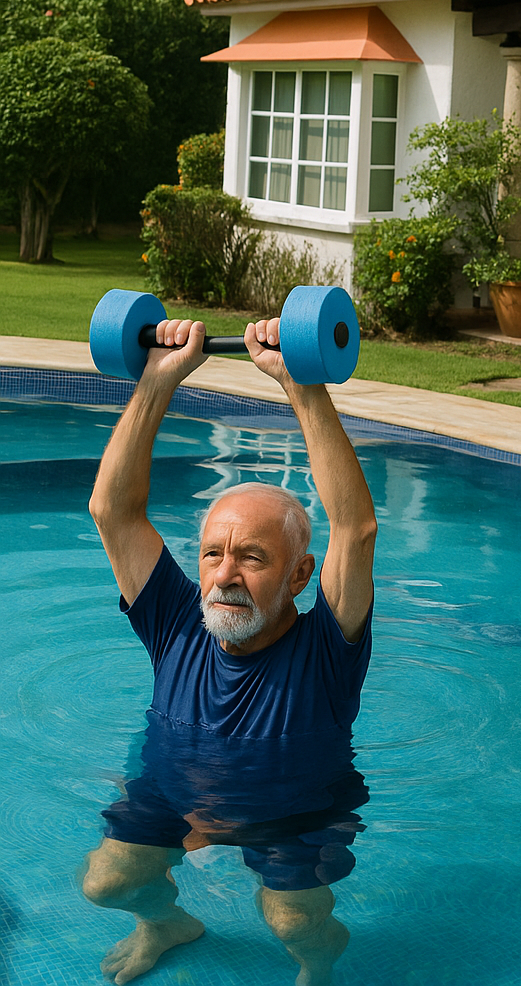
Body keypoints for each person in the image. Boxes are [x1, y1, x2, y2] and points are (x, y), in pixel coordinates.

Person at [81, 316, 377, 986]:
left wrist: (304, 389)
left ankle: (317, 969)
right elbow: (113, 511)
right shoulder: (177, 622)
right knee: (106, 884)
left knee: (296, 924)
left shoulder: (328, 648)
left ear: (300, 576)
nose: (224, 575)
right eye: (213, 554)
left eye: (253, 558)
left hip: (298, 809)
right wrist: (159, 380)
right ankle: (164, 922)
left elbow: (355, 530)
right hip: (170, 791)